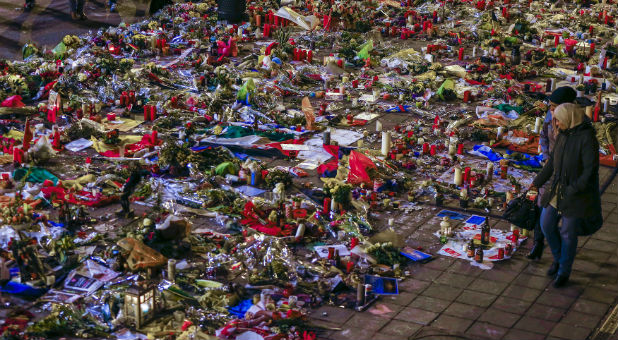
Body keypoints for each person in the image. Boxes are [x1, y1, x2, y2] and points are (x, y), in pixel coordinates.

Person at [530, 102, 601, 288]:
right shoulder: (563, 134)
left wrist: (574, 188)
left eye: (559, 120)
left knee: (568, 233)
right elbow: (553, 161)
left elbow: (589, 170)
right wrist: (537, 182)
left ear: (569, 119)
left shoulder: (587, 138)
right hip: (559, 188)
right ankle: (558, 258)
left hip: (577, 193)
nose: (556, 124)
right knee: (546, 224)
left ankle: (563, 271)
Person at [528, 86, 577, 260]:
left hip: (568, 175)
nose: (551, 110)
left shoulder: (577, 125)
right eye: (550, 106)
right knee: (541, 204)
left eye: (554, 106)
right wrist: (547, 157)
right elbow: (543, 136)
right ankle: (538, 244)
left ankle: (561, 258)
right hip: (550, 168)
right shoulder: (550, 116)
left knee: (560, 217)